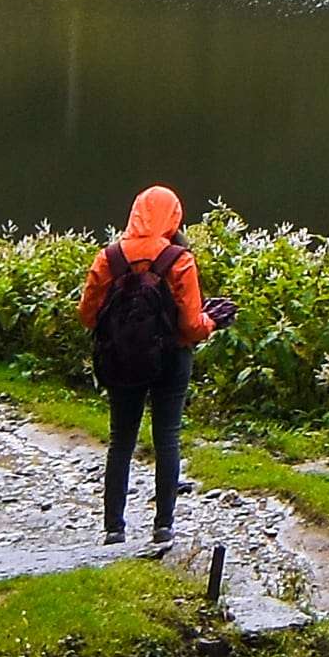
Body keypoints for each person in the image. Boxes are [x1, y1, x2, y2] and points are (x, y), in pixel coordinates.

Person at [81, 185, 218, 544]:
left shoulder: (108, 259)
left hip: (122, 360)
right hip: (172, 358)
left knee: (120, 441)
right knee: (167, 438)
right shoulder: (179, 259)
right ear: (174, 216)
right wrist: (211, 323)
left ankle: (114, 528)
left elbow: (87, 315)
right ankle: (163, 526)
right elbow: (190, 325)